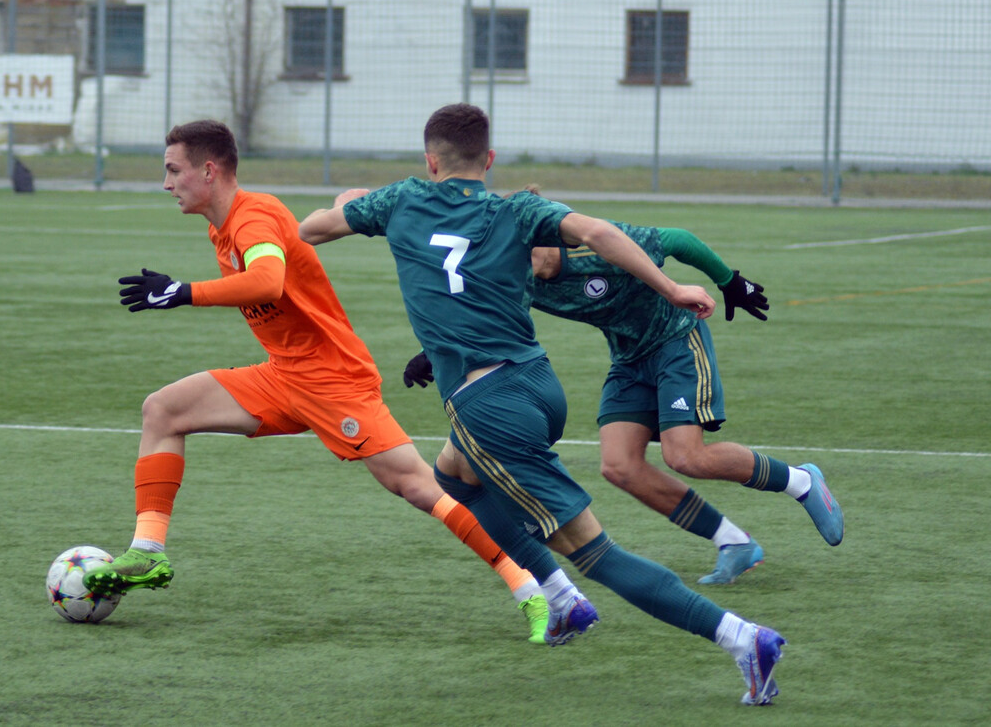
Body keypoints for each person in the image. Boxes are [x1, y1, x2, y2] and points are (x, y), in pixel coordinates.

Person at [299, 103, 789, 705]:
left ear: (430, 161)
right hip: (538, 385)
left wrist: (353, 199)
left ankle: (743, 638)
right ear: (491, 160)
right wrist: (672, 285)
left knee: (595, 551)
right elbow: (601, 234)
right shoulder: (515, 208)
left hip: (487, 405)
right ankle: (559, 602)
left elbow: (310, 229)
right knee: (454, 477)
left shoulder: (400, 200)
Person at [81, 119, 551, 645]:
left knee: (417, 486)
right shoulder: (224, 224)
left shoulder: (253, 216)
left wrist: (179, 292)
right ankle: (147, 554)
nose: (167, 183)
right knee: (164, 410)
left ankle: (529, 587)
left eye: (174, 170)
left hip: (334, 380)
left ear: (207, 171)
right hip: (284, 375)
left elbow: (266, 280)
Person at [402, 186, 844, 585]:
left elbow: (677, 240)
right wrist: (430, 354)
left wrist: (730, 281)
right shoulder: (521, 277)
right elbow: (487, 320)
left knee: (685, 456)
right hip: (628, 357)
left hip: (676, 340)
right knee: (619, 467)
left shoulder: (597, 246)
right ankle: (734, 543)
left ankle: (801, 482)